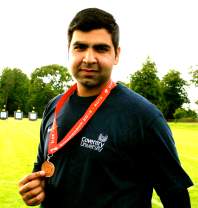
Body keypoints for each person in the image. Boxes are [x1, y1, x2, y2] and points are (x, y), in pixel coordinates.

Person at [18, 8, 193, 207]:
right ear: (69, 50)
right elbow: (42, 167)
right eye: (80, 47)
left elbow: (175, 195)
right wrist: (35, 188)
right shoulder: (55, 106)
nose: (89, 58)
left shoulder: (143, 116)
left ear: (116, 54)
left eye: (101, 48)